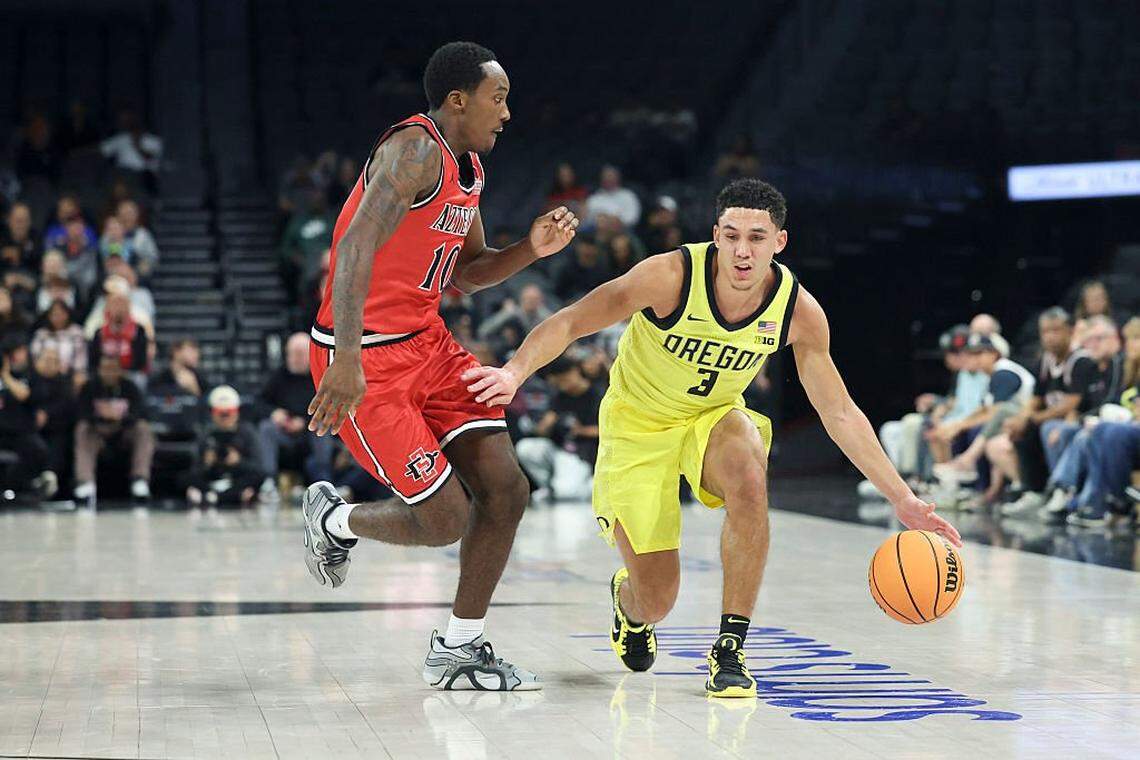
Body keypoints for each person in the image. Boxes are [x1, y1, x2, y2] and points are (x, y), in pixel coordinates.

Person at [462, 178, 960, 698]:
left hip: (713, 419)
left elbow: (837, 410)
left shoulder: (798, 311)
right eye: (732, 235)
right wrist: (514, 373)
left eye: (757, 238)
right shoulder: (669, 277)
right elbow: (570, 323)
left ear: (779, 242)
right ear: (715, 235)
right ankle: (630, 605)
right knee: (657, 600)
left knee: (748, 468)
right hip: (637, 426)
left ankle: (730, 647)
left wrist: (902, 498)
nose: (743, 251)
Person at [302, 41, 579, 692]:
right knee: (445, 519)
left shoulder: (469, 167)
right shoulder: (414, 150)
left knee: (507, 490)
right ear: (458, 100)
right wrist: (344, 361)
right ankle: (333, 520)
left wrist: (530, 251)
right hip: (363, 355)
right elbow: (352, 251)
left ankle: (459, 646)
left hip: (426, 343)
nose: (507, 113)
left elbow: (467, 274)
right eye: (498, 98)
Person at [990, 308, 1100, 515]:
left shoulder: (1082, 361)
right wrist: (1022, 418)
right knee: (1022, 429)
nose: (1050, 337)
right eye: (1045, 332)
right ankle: (1033, 491)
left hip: (1078, 420)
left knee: (1046, 428)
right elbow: (1036, 399)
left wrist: (1033, 418)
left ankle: (1063, 492)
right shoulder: (1044, 362)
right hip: (1049, 421)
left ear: (1070, 331)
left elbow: (1073, 403)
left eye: (1056, 331)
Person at [930, 333, 1035, 505]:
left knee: (983, 426)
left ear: (994, 354)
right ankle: (966, 485)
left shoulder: (1004, 371)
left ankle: (970, 464)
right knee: (964, 429)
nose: (975, 359)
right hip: (1008, 424)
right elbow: (983, 409)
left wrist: (960, 426)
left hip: (1026, 421)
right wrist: (957, 424)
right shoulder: (991, 375)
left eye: (980, 354)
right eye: (972, 354)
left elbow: (996, 411)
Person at [258, 332, 335, 500]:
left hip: (310, 431)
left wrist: (305, 421)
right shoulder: (279, 375)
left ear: (310, 355)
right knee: (266, 428)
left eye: (299, 354)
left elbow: (329, 405)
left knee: (320, 426)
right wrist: (274, 413)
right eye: (290, 354)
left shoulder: (321, 375)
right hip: (284, 431)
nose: (293, 358)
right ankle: (268, 480)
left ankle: (325, 481)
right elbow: (259, 403)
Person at [515, 356, 602, 502]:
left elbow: (606, 430)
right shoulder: (560, 397)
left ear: (575, 371)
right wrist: (540, 425)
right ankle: (548, 487)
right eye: (557, 382)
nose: (562, 384)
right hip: (561, 449)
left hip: (584, 452)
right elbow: (544, 428)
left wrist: (580, 431)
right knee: (526, 448)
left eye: (564, 379)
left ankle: (593, 484)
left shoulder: (597, 394)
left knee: (567, 493)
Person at [74, 354, 155, 505]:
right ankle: (85, 482)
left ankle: (140, 480)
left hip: (123, 430)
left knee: (143, 429)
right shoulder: (89, 387)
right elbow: (82, 413)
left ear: (120, 371)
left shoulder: (130, 387)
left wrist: (119, 417)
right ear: (99, 370)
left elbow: (140, 413)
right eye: (105, 369)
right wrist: (102, 416)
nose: (109, 373)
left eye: (113, 369)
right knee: (83, 429)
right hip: (98, 432)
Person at [186, 385, 265, 508]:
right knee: (184, 477)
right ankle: (229, 496)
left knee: (257, 477)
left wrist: (238, 462)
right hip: (213, 477)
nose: (224, 418)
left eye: (228, 413)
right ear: (213, 413)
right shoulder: (206, 434)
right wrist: (206, 463)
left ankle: (214, 496)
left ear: (236, 412)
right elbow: (194, 469)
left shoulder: (247, 432)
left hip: (237, 478)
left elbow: (258, 468)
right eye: (220, 414)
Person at [0, 338, 57, 498]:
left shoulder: (30, 375)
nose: (23, 355)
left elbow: (24, 395)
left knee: (39, 451)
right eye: (19, 351)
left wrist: (5, 375)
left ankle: (17, 487)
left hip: (20, 430)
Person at [30, 346, 75, 492]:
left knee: (61, 438)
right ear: (37, 361)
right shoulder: (29, 379)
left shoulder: (64, 382)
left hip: (56, 427)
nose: (51, 364)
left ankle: (50, 476)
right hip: (29, 427)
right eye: (47, 360)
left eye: (55, 361)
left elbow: (67, 406)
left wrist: (47, 413)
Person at [31, 299, 88, 389]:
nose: (58, 318)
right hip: (44, 374)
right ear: (49, 316)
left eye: (61, 314)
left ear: (67, 314)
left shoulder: (77, 332)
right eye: (55, 315)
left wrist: (77, 373)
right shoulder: (41, 334)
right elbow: (35, 357)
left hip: (68, 375)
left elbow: (80, 359)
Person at [116, 200, 159, 280]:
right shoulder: (112, 234)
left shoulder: (143, 235)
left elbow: (152, 258)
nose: (127, 217)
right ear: (118, 216)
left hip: (138, 280)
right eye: (124, 214)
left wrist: (136, 273)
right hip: (115, 279)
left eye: (130, 213)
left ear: (136, 215)